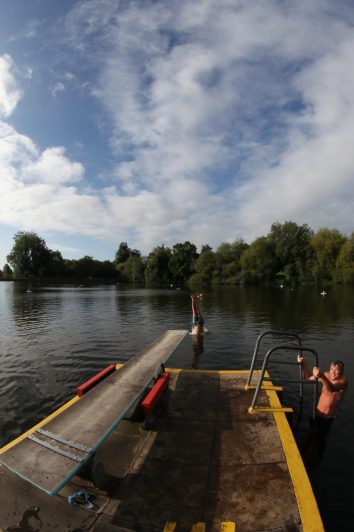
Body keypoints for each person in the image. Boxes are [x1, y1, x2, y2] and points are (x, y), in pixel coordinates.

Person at [297, 354, 348, 467]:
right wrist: (303, 364)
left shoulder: (343, 382)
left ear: (341, 372)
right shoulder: (326, 375)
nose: (333, 373)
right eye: (331, 369)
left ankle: (312, 464)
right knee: (309, 435)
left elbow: (331, 389)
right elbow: (308, 377)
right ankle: (301, 456)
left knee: (318, 442)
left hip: (327, 419)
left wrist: (322, 377)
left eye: (336, 371)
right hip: (317, 413)